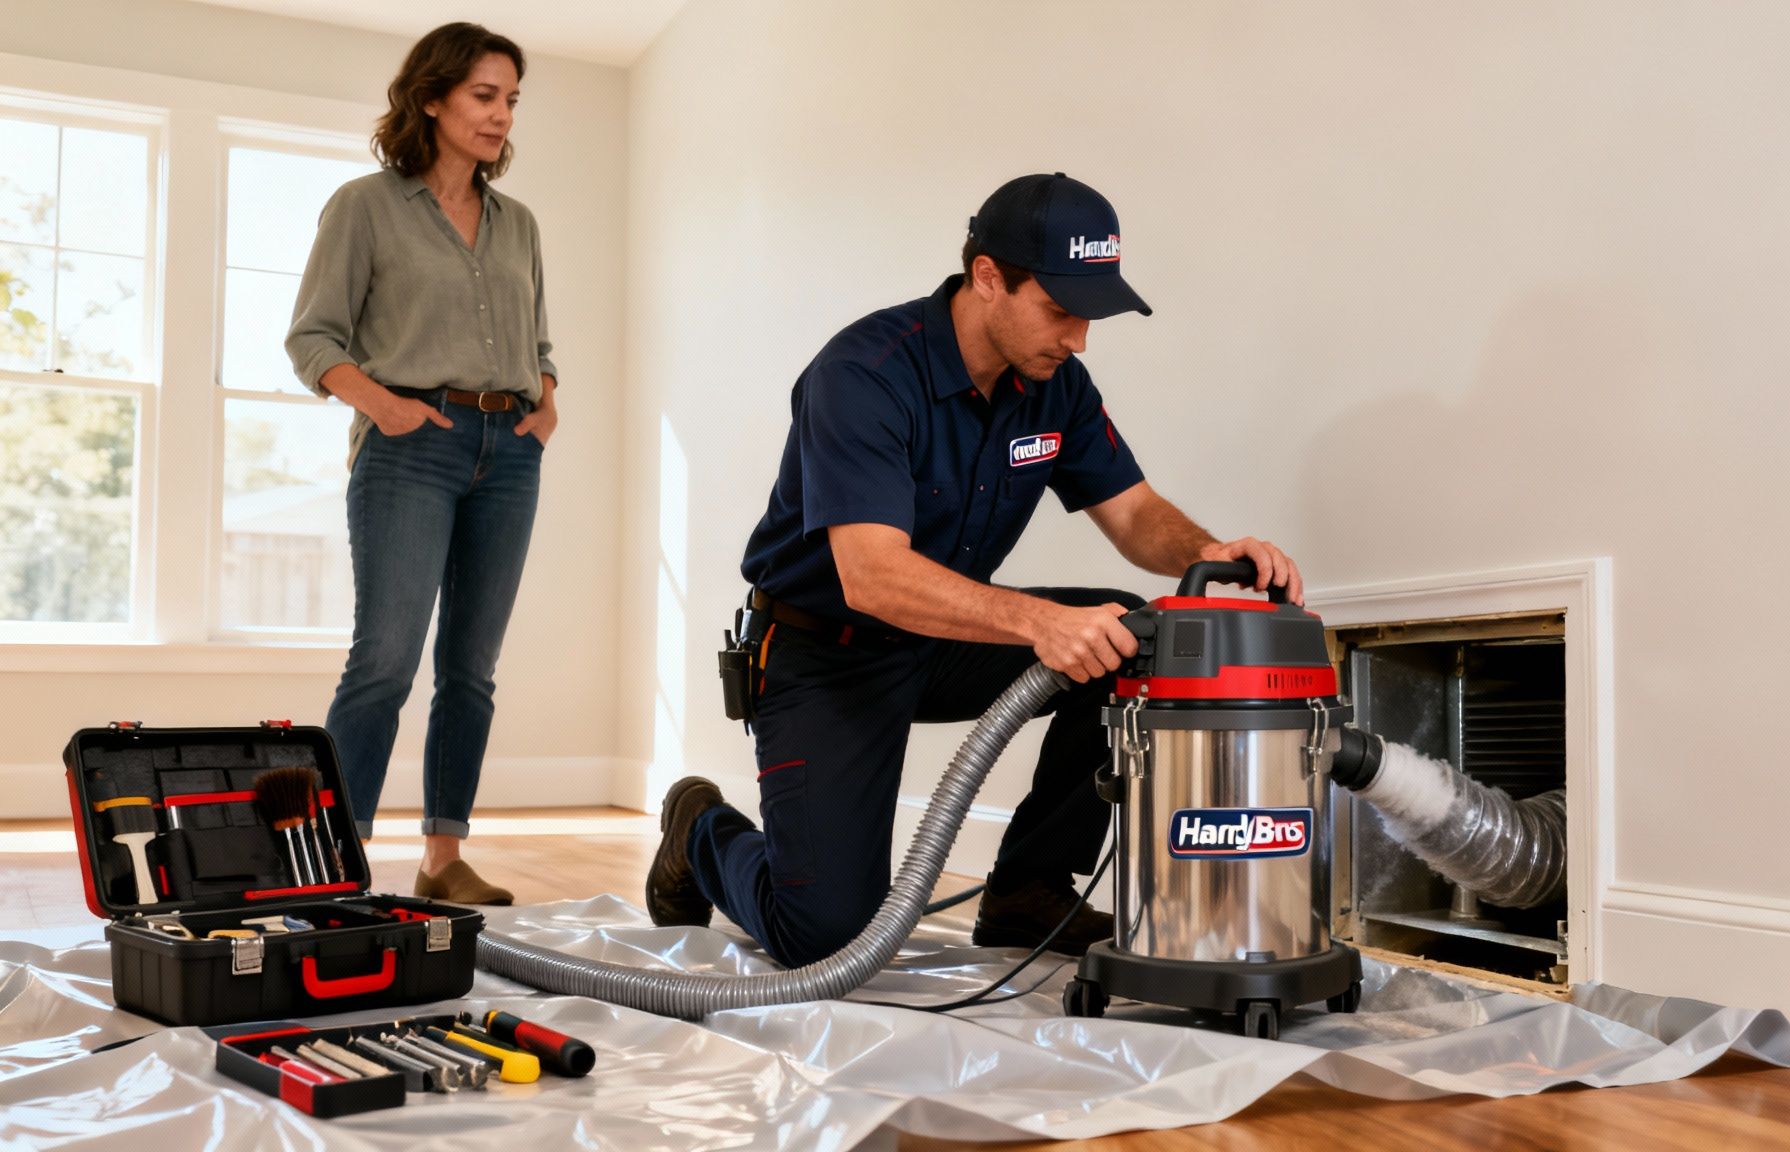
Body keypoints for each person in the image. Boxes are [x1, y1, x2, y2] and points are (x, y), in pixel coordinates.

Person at [643, 173, 1304, 965]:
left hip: (938, 644)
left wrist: (1209, 552)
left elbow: (1132, 512)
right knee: (824, 937)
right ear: (988, 277)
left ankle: (1029, 890)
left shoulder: (1055, 386)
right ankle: (701, 831)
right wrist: (1038, 622)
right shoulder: (864, 376)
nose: (1079, 339)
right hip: (826, 656)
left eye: (1090, 317)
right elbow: (874, 578)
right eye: (1061, 311)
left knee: (1132, 635)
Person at [284, 22, 559, 905]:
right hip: (412, 449)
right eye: (484, 95)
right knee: (385, 662)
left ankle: (444, 861)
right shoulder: (364, 206)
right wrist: (390, 408)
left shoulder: (518, 224)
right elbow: (313, 339)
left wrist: (545, 398)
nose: (500, 114)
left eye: (511, 99)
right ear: (432, 97)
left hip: (509, 451)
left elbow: (537, 337)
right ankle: (337, 863)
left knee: (471, 669)